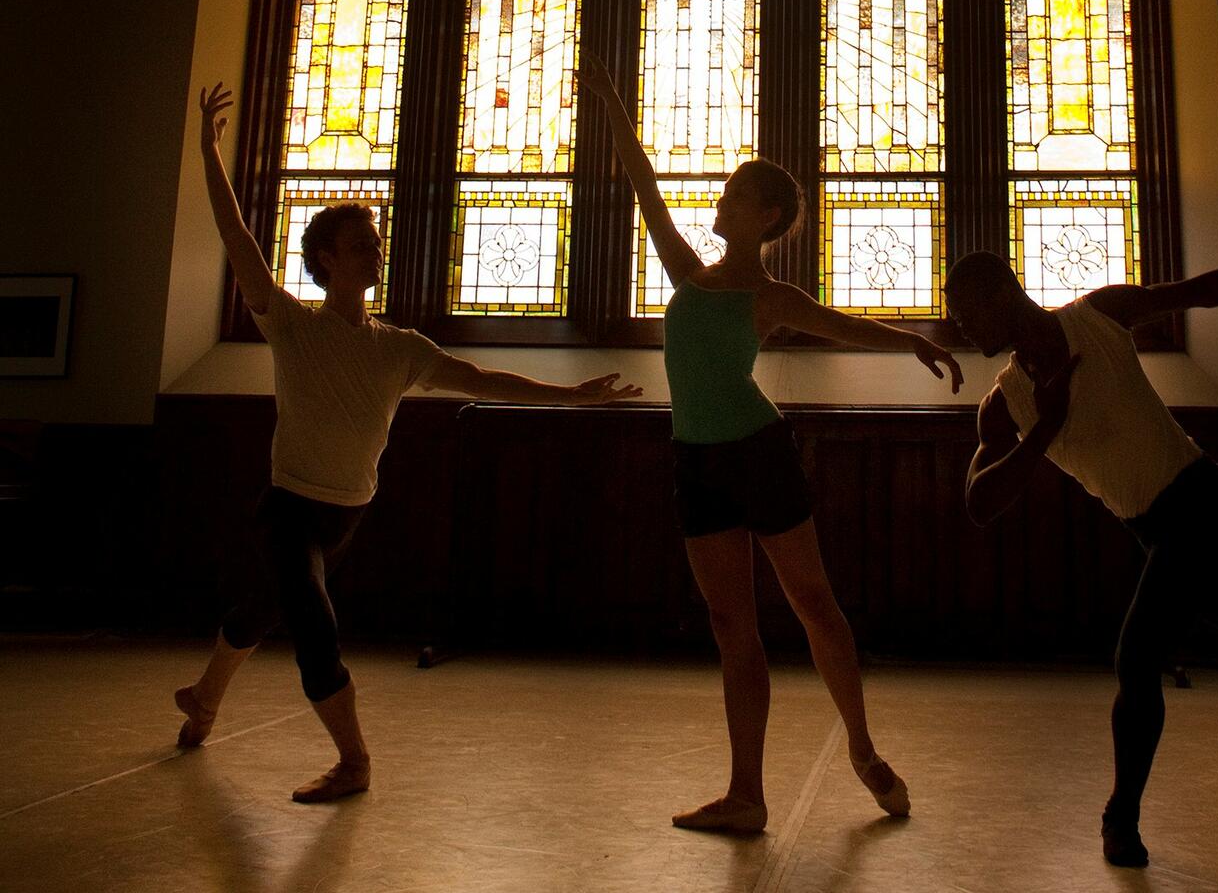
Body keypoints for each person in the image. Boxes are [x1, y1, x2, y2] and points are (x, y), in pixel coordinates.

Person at [174, 83, 641, 803]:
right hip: (291, 506)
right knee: (310, 621)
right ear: (325, 259)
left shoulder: (401, 349)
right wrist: (208, 150)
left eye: (376, 243)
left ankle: (204, 698)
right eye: (361, 244)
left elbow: (477, 374)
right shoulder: (291, 324)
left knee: (261, 609)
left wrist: (572, 395)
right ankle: (354, 761)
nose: (374, 252)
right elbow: (237, 238)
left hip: (347, 512)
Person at [576, 51, 963, 832]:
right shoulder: (688, 272)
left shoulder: (771, 295)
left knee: (813, 601)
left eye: (737, 194)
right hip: (697, 460)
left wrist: (913, 343)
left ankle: (863, 750)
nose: (722, 199)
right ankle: (746, 795)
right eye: (725, 191)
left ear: (768, 217)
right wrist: (611, 99)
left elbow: (846, 326)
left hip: (758, 452)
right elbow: (642, 181)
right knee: (731, 625)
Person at [945, 247, 1218, 867]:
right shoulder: (1005, 403)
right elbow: (979, 501)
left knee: (1137, 656)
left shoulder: (1099, 316)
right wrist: (1046, 428)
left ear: (1003, 291)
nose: (961, 329)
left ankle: (1119, 819)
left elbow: (1204, 290)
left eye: (967, 314)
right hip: (1152, 527)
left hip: (1200, 497)